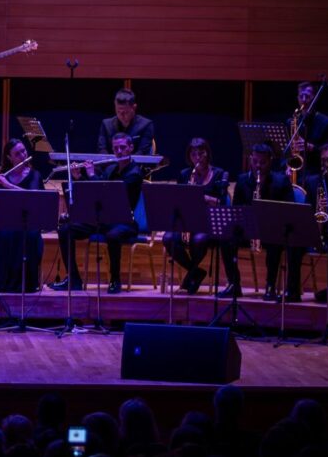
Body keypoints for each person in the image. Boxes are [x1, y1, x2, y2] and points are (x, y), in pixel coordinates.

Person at [50, 132, 142, 294]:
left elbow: (111, 195)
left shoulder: (134, 173)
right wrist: (78, 178)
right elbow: (95, 194)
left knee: (113, 235)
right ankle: (74, 279)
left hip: (125, 221)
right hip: (103, 220)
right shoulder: (112, 169)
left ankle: (115, 280)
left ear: (130, 148)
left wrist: (92, 174)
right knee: (65, 230)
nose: (119, 151)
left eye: (122, 148)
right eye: (116, 148)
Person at [219, 143, 304, 302]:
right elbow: (237, 208)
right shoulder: (242, 180)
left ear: (270, 161)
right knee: (226, 239)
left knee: (274, 243)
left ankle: (270, 285)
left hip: (272, 229)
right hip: (249, 228)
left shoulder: (281, 181)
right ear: (250, 159)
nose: (258, 165)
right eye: (255, 161)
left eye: (262, 162)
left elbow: (290, 209)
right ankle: (234, 284)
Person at [162, 138, 230, 294]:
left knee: (199, 240)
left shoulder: (219, 173)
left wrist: (202, 197)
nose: (198, 158)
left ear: (208, 154)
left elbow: (222, 201)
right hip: (187, 221)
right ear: (189, 157)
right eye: (193, 154)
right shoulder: (185, 174)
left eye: (201, 153)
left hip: (209, 222)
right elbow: (178, 200)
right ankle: (195, 271)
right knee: (168, 238)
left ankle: (191, 277)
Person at [0, 138, 45, 293]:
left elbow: (32, 197)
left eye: (24, 151)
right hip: (8, 220)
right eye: (18, 154)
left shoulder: (35, 175)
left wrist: (7, 185)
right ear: (9, 158)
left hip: (28, 222)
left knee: (28, 236)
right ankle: (0, 284)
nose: (23, 155)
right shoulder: (3, 175)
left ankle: (25, 284)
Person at [304, 142, 328, 302]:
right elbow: (305, 210)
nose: (326, 164)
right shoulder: (312, 181)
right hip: (316, 230)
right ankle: (292, 292)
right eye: (323, 160)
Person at [289, 80, 328, 176]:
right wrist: (287, 167)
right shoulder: (292, 121)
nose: (304, 100)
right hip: (295, 169)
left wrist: (311, 147)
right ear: (297, 98)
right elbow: (285, 152)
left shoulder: (327, 123)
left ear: (315, 98)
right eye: (301, 96)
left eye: (308, 96)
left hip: (315, 170)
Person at [97, 88, 155, 156]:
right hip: (111, 164)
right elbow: (102, 149)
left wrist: (125, 164)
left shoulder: (146, 125)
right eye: (118, 111)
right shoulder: (106, 124)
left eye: (125, 112)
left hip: (136, 165)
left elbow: (142, 152)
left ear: (134, 107)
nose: (121, 115)